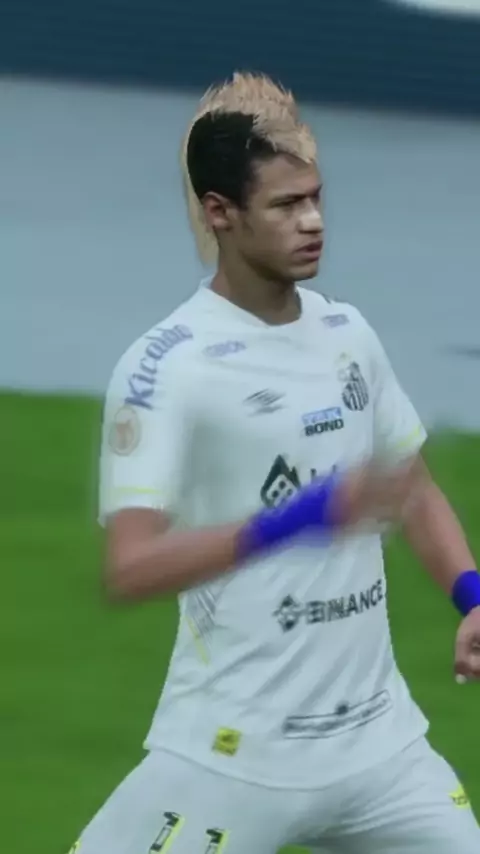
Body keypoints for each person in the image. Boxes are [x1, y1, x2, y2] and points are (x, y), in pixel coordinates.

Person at [72, 73, 480, 853]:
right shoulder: (168, 367)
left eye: (317, 198)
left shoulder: (348, 334)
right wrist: (299, 519)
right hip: (234, 754)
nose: (313, 221)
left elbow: (411, 486)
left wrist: (471, 594)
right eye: (286, 206)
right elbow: (130, 567)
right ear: (220, 213)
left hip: (383, 752)